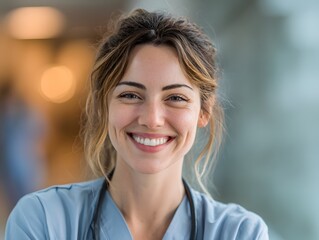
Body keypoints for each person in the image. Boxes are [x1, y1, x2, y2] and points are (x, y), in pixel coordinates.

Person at [5, 8, 269, 240]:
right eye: (130, 95)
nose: (151, 119)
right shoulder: (43, 221)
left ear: (204, 111)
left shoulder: (240, 233)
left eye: (175, 98)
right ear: (103, 105)